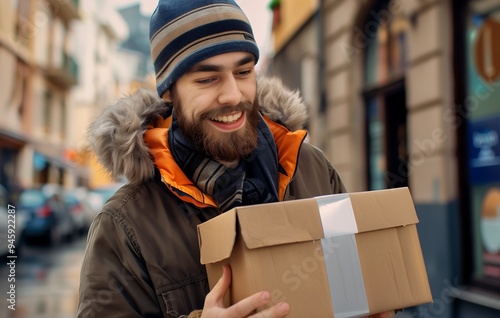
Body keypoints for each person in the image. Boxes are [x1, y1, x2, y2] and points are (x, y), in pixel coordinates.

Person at [77, 1, 394, 317]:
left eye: (243, 72)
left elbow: (353, 284)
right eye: (207, 79)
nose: (233, 95)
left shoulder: (312, 169)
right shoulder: (124, 224)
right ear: (169, 92)